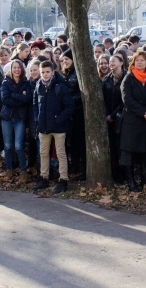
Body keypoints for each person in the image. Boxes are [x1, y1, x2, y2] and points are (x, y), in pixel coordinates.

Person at [32, 60, 74, 194]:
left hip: (58, 127)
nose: (45, 74)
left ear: (53, 72)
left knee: (61, 154)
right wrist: (37, 119)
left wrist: (58, 120)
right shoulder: (38, 85)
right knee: (43, 153)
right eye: (42, 72)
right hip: (43, 126)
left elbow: (70, 107)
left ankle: (63, 179)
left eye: (47, 72)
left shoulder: (60, 87)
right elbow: (35, 104)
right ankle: (44, 177)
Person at [119, 50, 146, 192]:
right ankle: (131, 182)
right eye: (137, 60)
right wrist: (142, 112)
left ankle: (145, 180)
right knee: (128, 152)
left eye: (143, 60)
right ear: (133, 63)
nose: (140, 62)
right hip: (132, 120)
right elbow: (127, 99)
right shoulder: (128, 78)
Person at [0, 59, 33, 183]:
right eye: (14, 68)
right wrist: (20, 97)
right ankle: (9, 169)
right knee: (8, 146)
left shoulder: (26, 83)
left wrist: (14, 95)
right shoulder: (5, 82)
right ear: (11, 69)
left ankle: (23, 171)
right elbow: (5, 99)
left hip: (20, 118)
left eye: (19, 67)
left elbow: (28, 98)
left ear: (22, 69)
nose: (17, 70)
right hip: (7, 117)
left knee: (19, 146)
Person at [60, 49, 85, 180]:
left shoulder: (77, 74)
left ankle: (83, 170)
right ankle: (74, 167)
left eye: (67, 60)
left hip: (78, 112)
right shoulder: (66, 73)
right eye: (63, 60)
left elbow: (81, 94)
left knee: (80, 142)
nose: (64, 62)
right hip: (70, 113)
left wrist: (68, 101)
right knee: (72, 142)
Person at [102, 53, 127, 184]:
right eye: (110, 61)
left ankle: (124, 175)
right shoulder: (107, 79)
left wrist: (113, 114)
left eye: (113, 61)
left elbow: (125, 101)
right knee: (112, 148)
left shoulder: (126, 78)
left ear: (121, 63)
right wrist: (108, 114)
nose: (111, 63)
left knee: (121, 147)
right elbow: (103, 98)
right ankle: (114, 174)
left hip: (122, 118)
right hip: (109, 118)